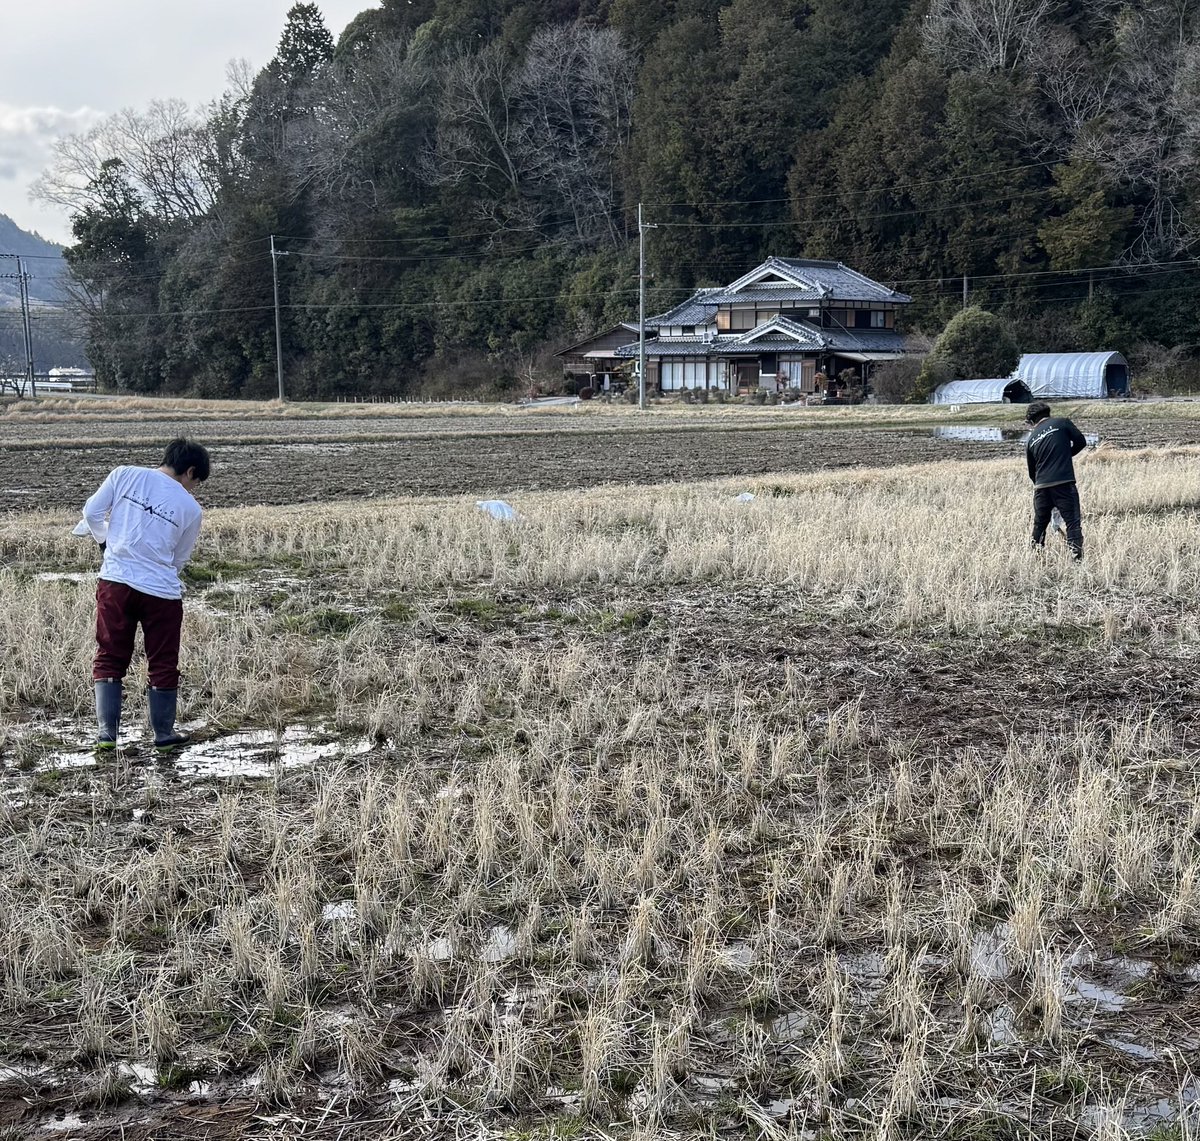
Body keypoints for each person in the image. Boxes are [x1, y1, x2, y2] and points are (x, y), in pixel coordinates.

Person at [81, 438, 210, 749]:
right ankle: (164, 735)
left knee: (109, 655)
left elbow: (91, 513)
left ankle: (107, 736)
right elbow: (179, 559)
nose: (194, 489)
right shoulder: (190, 508)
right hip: (161, 594)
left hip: (115, 583)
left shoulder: (124, 474)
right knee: (163, 660)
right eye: (197, 482)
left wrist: (105, 545)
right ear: (190, 472)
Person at [1025, 401, 1087, 561]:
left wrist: (1041, 484)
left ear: (1031, 421)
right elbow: (1081, 442)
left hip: (1041, 488)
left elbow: (1032, 472)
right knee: (1072, 522)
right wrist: (1064, 455)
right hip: (1064, 483)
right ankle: (1077, 561)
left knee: (1039, 526)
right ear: (1048, 413)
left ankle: (1035, 558)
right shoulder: (1062, 423)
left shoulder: (1031, 439)